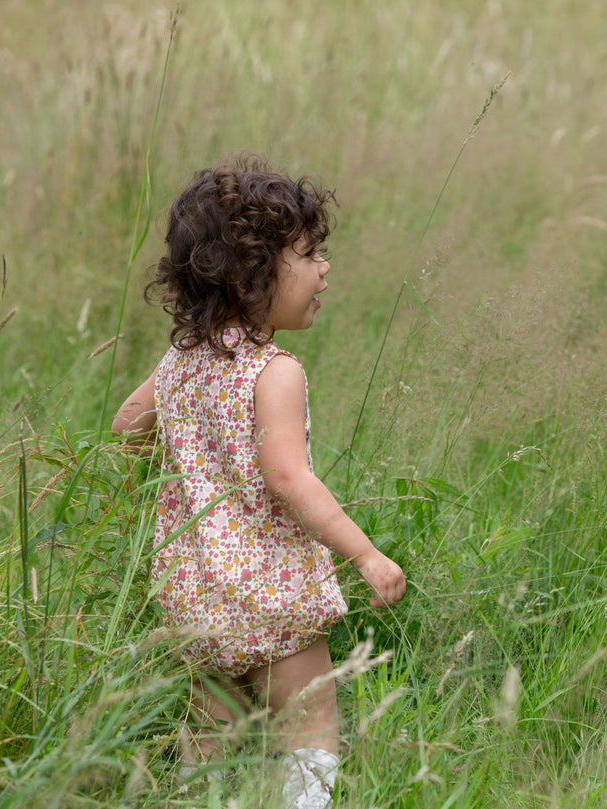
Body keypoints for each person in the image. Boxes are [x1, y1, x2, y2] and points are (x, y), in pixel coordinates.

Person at [112, 156, 406, 808]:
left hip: (196, 591)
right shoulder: (274, 371)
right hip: (271, 591)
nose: (325, 268)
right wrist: (364, 553)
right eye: (308, 254)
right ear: (251, 275)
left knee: (211, 738)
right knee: (310, 725)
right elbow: (287, 478)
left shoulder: (182, 359)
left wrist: (173, 477)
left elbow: (127, 423)